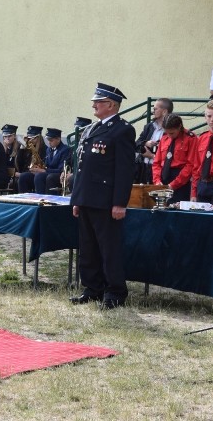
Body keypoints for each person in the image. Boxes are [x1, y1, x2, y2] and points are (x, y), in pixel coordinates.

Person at [70, 82, 135, 309]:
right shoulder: (92, 129)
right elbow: (82, 168)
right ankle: (92, 288)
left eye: (98, 102)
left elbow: (124, 170)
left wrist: (119, 203)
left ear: (111, 105)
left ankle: (114, 292)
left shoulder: (123, 130)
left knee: (108, 249)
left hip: (106, 201)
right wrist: (76, 199)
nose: (94, 105)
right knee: (88, 248)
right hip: (87, 198)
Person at [151, 114, 197, 204]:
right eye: (167, 132)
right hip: (163, 178)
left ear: (179, 127)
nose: (169, 135)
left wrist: (174, 184)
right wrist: (157, 181)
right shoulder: (164, 137)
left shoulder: (190, 138)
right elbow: (157, 162)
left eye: (172, 133)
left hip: (180, 181)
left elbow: (190, 165)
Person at [19, 128, 71, 194]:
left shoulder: (65, 150)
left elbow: (61, 169)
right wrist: (37, 168)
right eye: (48, 140)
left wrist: (44, 171)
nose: (49, 142)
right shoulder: (49, 150)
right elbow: (46, 165)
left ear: (58, 139)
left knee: (40, 176)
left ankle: (42, 199)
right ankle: (24, 198)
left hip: (57, 175)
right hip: (47, 173)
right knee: (24, 176)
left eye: (51, 140)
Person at [134, 98, 172, 184]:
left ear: (164, 111)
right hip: (144, 169)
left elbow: (172, 155)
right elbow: (136, 144)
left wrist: (152, 156)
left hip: (161, 171)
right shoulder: (149, 126)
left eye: (155, 109)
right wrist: (146, 143)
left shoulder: (171, 130)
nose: (153, 111)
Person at [1, 124, 29, 191]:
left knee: (17, 182)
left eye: (10, 136)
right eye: (5, 136)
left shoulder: (19, 147)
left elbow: (20, 164)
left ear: (14, 136)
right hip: (7, 174)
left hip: (17, 175)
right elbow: (2, 164)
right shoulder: (2, 148)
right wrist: (5, 150)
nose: (7, 138)